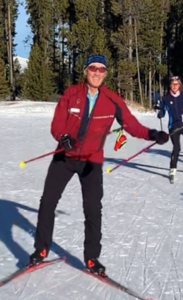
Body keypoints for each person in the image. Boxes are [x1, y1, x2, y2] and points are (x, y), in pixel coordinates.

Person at [29, 54, 169, 274]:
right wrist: (64, 137)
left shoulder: (112, 100)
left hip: (91, 161)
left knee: (93, 209)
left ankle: (92, 257)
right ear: (86, 71)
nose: (96, 72)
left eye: (101, 69)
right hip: (64, 157)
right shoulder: (71, 94)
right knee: (47, 202)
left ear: (105, 73)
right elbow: (57, 124)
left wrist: (153, 134)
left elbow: (132, 126)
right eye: (93, 68)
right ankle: (41, 250)